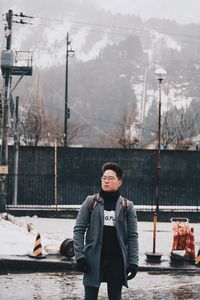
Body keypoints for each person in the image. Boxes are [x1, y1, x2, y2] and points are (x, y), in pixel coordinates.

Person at [73, 162, 139, 300]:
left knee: (115, 296)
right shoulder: (91, 202)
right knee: (90, 297)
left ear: (119, 182)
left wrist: (133, 262)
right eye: (104, 178)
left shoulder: (127, 206)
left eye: (110, 178)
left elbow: (133, 236)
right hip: (93, 259)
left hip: (117, 261)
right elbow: (79, 230)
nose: (106, 181)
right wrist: (80, 256)